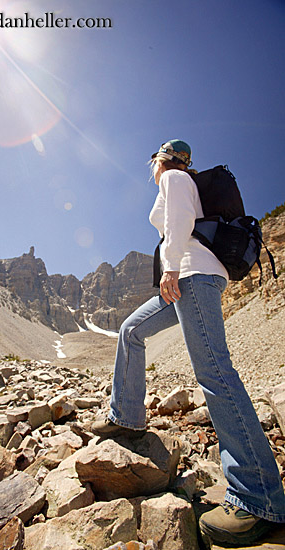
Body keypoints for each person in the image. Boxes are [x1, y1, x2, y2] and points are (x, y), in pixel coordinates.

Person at [91, 139, 285, 546]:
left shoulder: (176, 178)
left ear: (161, 161)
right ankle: (125, 415)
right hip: (187, 277)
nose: (155, 168)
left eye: (155, 162)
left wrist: (171, 269)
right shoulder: (183, 179)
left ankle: (258, 500)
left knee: (215, 374)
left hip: (190, 275)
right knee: (131, 330)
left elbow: (178, 222)